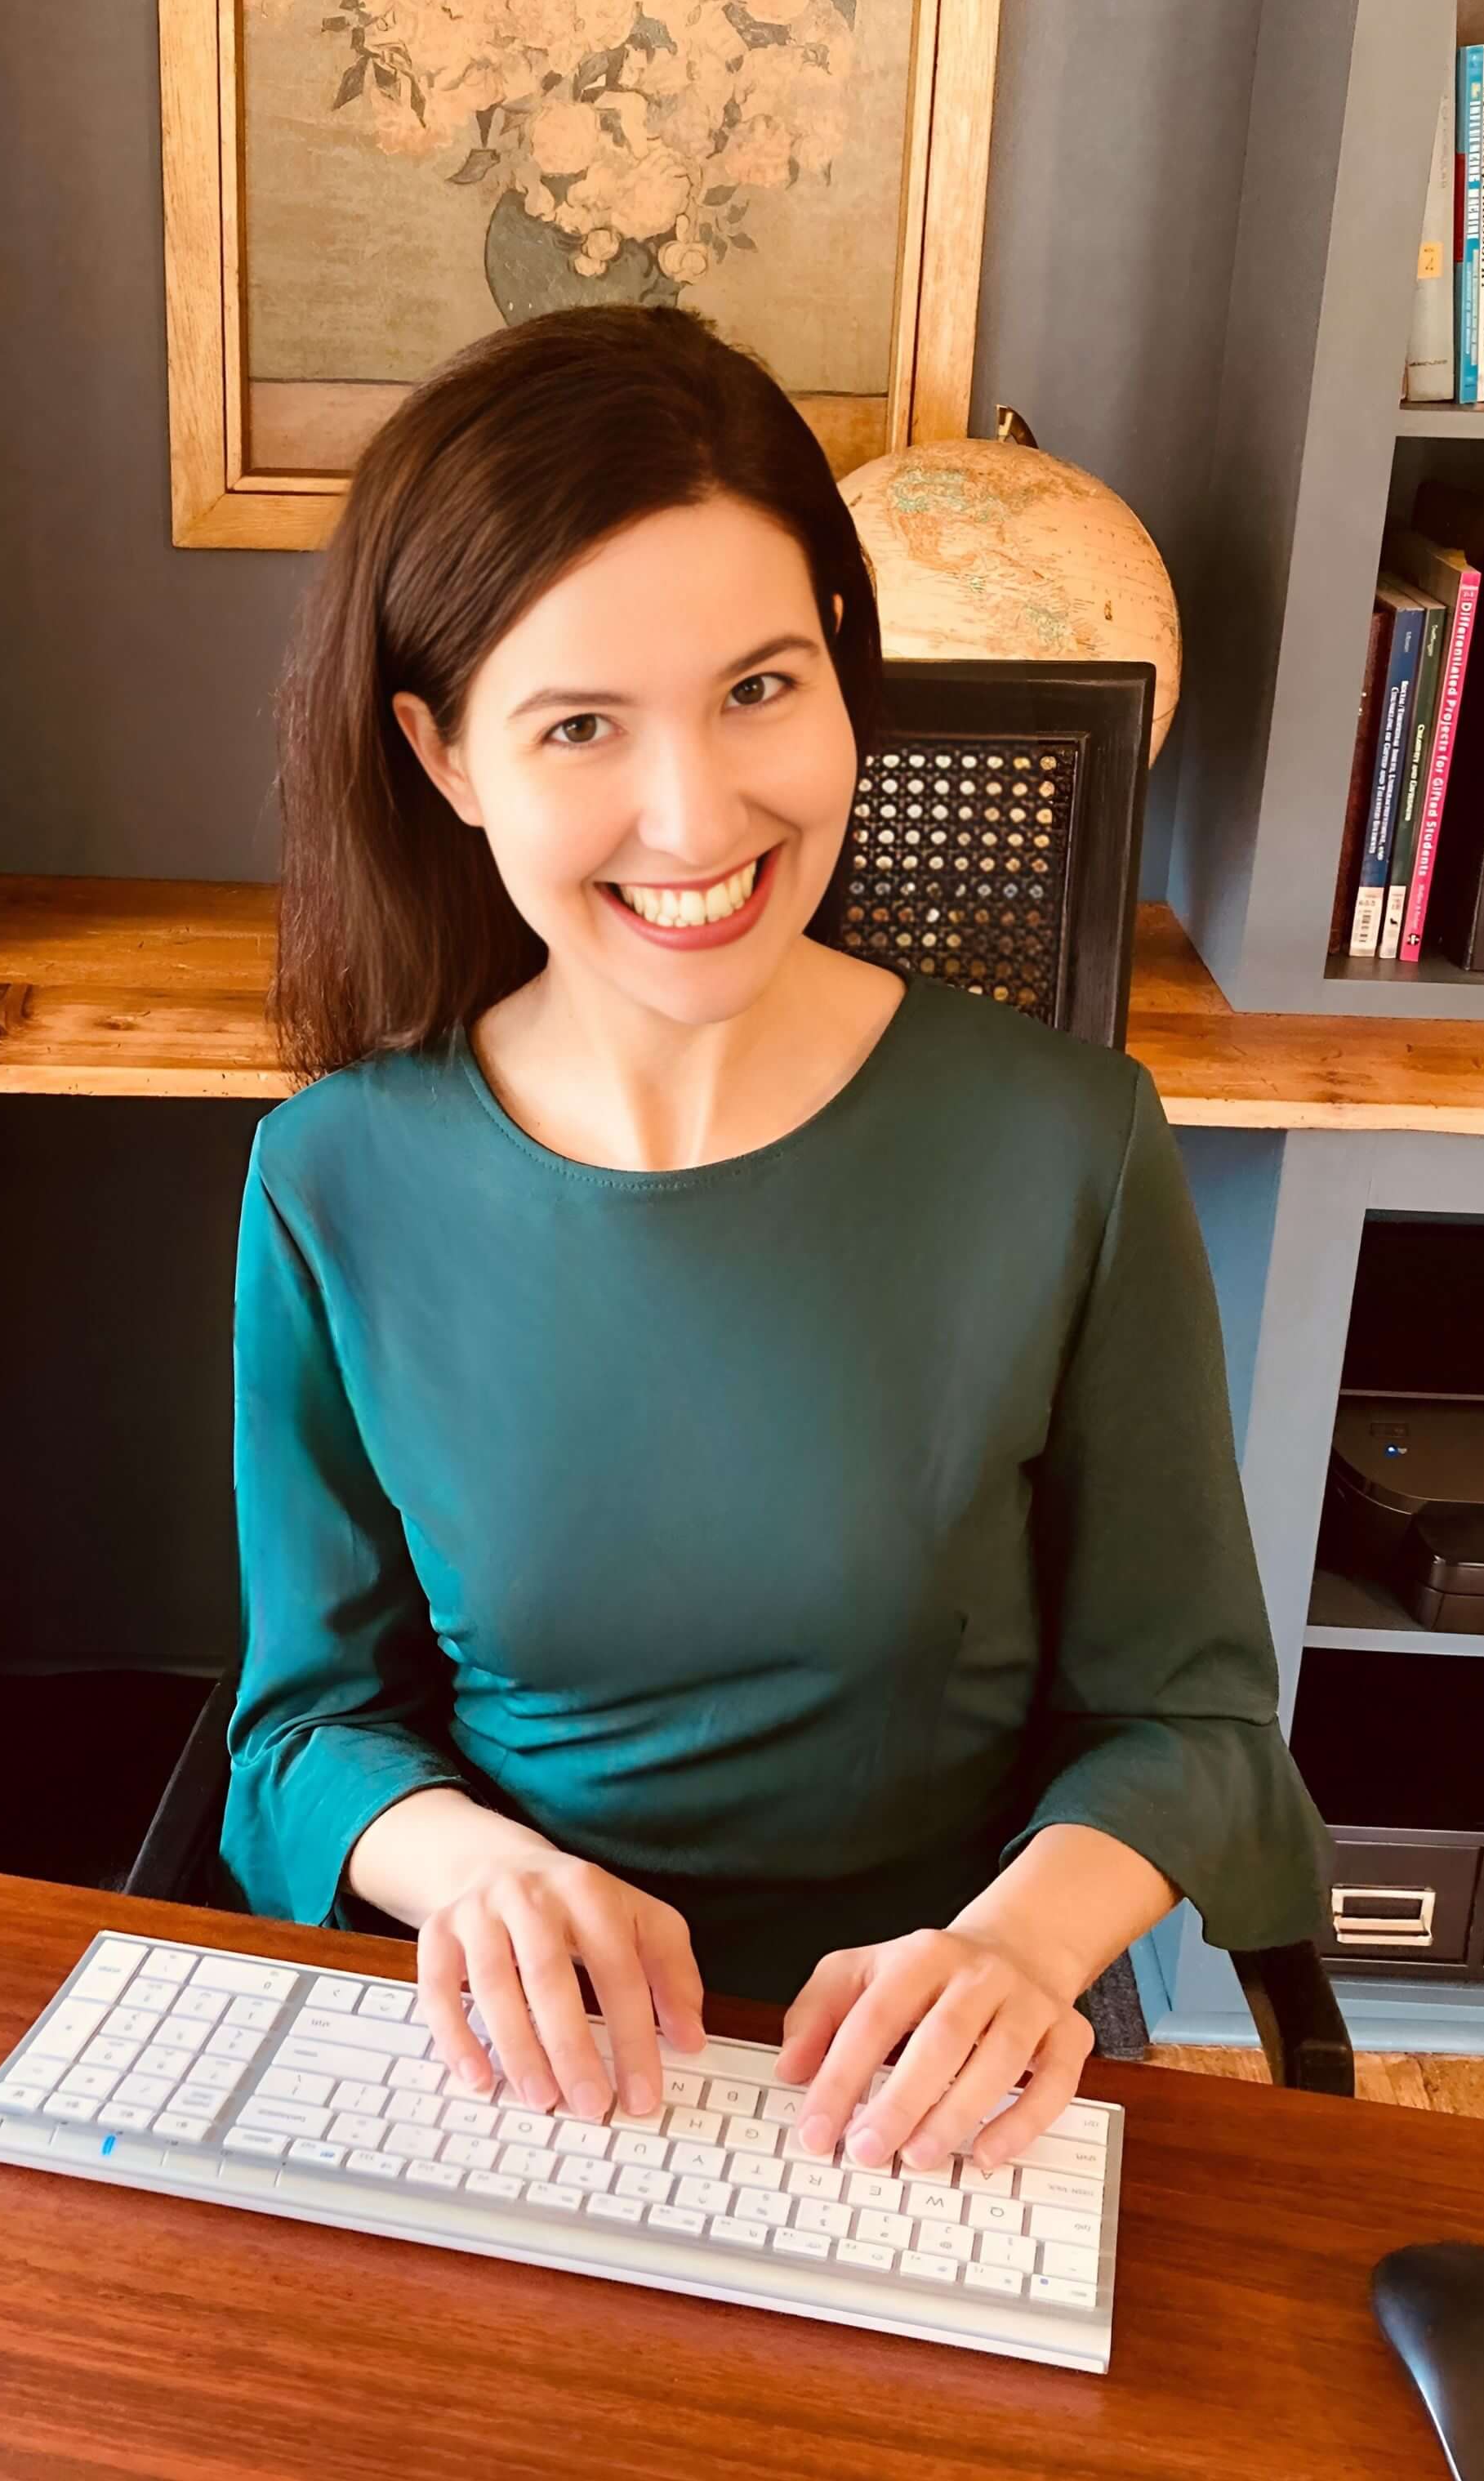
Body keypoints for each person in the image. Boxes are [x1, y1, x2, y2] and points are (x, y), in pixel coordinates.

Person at [224, 307, 1330, 2182]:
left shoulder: (1067, 1149)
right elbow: (301, 1732)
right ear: (446, 753)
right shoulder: (334, 1180)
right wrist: (474, 1868)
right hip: (514, 2063)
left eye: (760, 689)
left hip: (941, 2059)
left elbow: (1195, 1723)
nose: (698, 817)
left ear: (842, 664)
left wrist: (1017, 1949)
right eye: (581, 725)